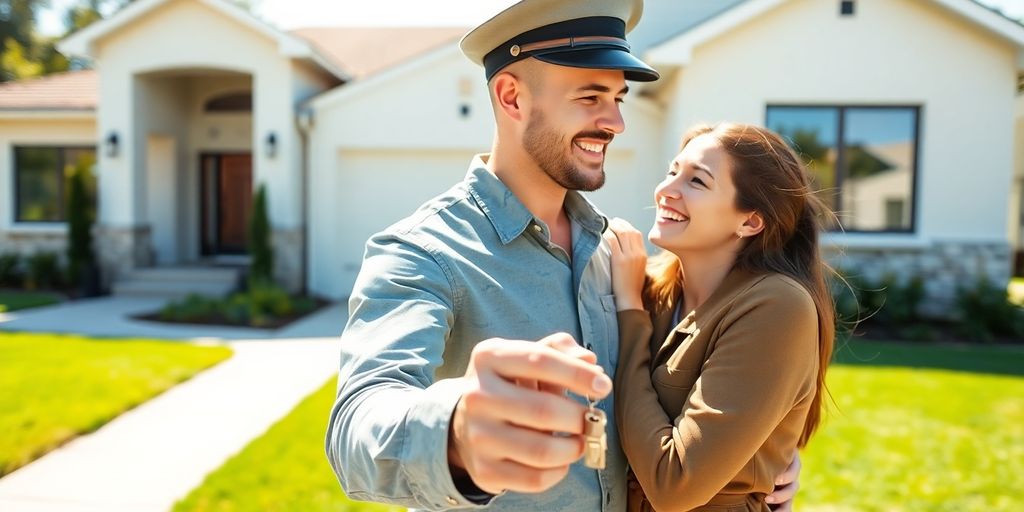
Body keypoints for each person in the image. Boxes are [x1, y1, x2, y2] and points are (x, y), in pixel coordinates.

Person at [325, 1, 799, 510]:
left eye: (618, 98)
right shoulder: (424, 252)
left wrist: (754, 458)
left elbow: (677, 397)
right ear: (512, 97)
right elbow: (357, 423)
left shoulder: (616, 254)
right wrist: (454, 431)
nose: (616, 122)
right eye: (590, 96)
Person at [603, 123, 835, 511]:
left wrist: (629, 312)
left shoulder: (778, 305)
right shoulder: (649, 287)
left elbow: (675, 485)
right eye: (672, 171)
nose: (666, 189)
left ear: (750, 221)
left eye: (697, 181)